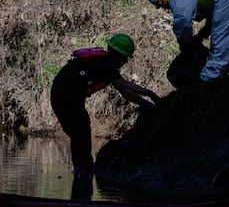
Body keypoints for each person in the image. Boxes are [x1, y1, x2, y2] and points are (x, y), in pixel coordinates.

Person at [50, 34, 160, 177]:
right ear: (118, 55)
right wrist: (148, 100)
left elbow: (124, 86)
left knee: (80, 133)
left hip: (65, 96)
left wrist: (149, 94)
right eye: (125, 57)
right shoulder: (105, 65)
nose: (126, 61)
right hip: (67, 99)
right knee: (81, 133)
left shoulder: (103, 62)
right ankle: (83, 170)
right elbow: (125, 90)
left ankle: (82, 170)